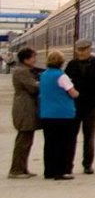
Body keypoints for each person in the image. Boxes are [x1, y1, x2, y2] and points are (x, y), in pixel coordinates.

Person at [65, 38, 95, 175]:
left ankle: (87, 165)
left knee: (89, 138)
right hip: (74, 106)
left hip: (91, 107)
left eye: (84, 50)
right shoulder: (71, 65)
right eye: (79, 50)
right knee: (71, 137)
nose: (82, 52)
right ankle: (68, 165)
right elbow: (65, 83)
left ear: (90, 49)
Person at [40, 50, 79, 180]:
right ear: (61, 62)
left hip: (46, 114)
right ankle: (61, 171)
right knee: (63, 144)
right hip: (63, 115)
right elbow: (73, 93)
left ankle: (49, 171)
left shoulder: (43, 75)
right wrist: (77, 93)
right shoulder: (61, 76)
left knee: (50, 144)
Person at [8, 47, 40, 178]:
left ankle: (23, 168)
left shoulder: (23, 70)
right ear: (26, 59)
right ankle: (16, 170)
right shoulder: (22, 72)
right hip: (25, 108)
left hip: (26, 106)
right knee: (23, 140)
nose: (35, 59)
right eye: (33, 57)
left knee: (27, 140)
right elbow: (33, 88)